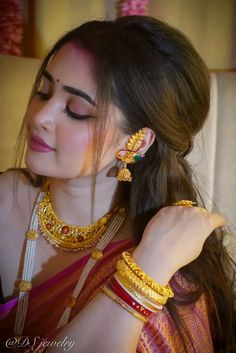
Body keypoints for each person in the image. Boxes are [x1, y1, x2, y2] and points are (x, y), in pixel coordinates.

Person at [0, 15, 235, 353]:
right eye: (43, 91)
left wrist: (143, 276)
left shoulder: (167, 272)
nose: (39, 117)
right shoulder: (6, 198)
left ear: (136, 143)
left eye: (77, 110)